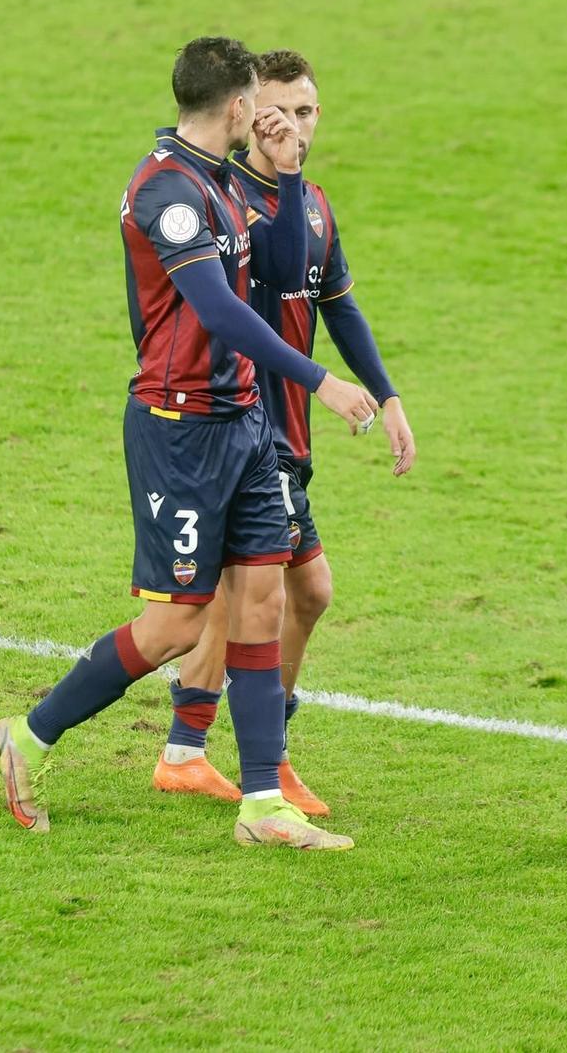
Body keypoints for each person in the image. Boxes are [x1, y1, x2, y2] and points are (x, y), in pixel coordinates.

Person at [0, 36, 378, 850]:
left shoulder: (222, 182)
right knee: (173, 626)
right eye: (260, 109)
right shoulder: (167, 188)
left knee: (266, 598)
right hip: (181, 429)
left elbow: (279, 269)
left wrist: (287, 167)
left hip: (243, 424)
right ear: (236, 105)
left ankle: (263, 802)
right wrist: (320, 379)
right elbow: (220, 310)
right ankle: (26, 735)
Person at [152, 48, 415, 815]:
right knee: (298, 588)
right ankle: (264, 756)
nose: (297, 127)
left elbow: (333, 299)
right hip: (244, 422)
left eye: (308, 113)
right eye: (281, 113)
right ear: (249, 113)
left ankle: (188, 747)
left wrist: (388, 394)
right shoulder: (227, 197)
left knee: (246, 595)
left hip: (287, 427)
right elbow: (265, 275)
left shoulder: (311, 201)